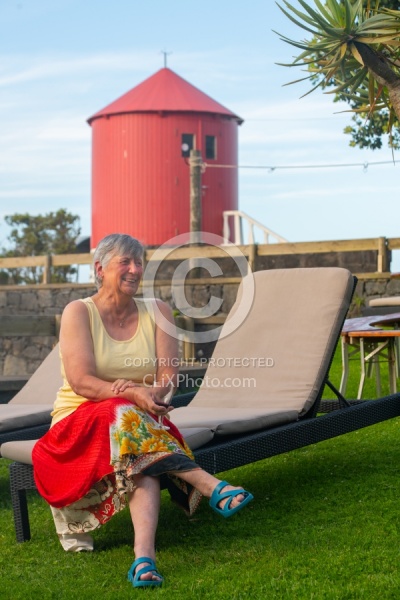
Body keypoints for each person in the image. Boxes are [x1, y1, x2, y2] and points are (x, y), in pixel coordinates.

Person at [32, 233, 253, 589]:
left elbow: (169, 375)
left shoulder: (158, 311)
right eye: (126, 262)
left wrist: (152, 393)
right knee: (122, 411)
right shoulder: (79, 312)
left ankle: (143, 560)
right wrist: (134, 392)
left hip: (140, 425)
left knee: (138, 453)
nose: (135, 270)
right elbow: (82, 381)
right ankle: (208, 484)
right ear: (100, 269)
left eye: (139, 263)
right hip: (80, 421)